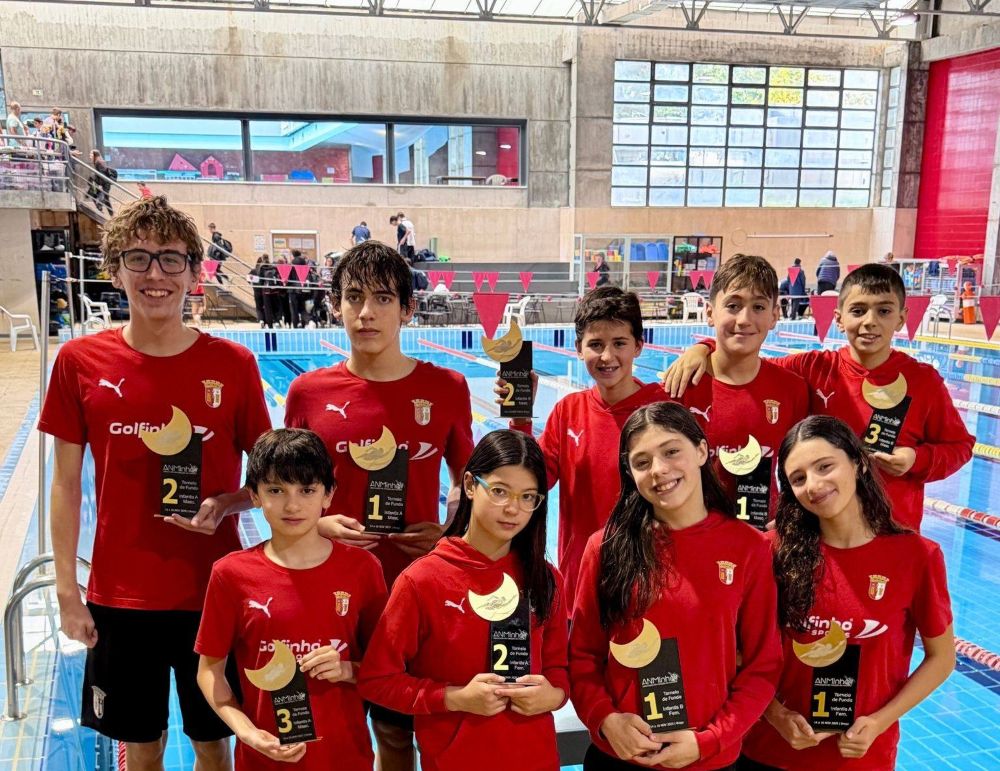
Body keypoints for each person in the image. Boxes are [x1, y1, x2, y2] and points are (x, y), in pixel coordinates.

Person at [38, 196, 272, 771]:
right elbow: (64, 485)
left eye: (171, 259)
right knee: (141, 748)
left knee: (213, 745)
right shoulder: (79, 361)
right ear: (114, 269)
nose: (155, 274)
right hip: (120, 596)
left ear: (194, 274)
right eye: (137, 258)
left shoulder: (233, 365)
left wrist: (227, 503)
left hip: (213, 590)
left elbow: (270, 480)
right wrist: (67, 591)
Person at [283, 239, 475, 771]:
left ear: (407, 309)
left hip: (411, 588)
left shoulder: (446, 387)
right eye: (354, 297)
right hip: (329, 587)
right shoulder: (306, 393)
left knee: (396, 732)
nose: (366, 312)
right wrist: (320, 524)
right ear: (335, 305)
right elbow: (285, 492)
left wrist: (448, 531)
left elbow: (469, 483)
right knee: (328, 731)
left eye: (383, 298)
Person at [663, 264, 975, 532]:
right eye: (858, 311)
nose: (870, 322)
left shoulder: (923, 381)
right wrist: (703, 348)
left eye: (883, 311)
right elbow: (745, 364)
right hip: (820, 532)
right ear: (839, 319)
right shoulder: (814, 368)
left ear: (902, 318)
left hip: (891, 530)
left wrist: (916, 459)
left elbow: (960, 446)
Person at [570, 402, 781, 770]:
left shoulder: (748, 547)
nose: (659, 470)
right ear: (630, 472)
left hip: (707, 759)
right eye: (642, 461)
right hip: (619, 756)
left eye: (671, 451)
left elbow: (763, 667)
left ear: (701, 451)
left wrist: (709, 740)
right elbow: (582, 655)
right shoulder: (605, 548)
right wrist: (606, 719)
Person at [740, 416, 955, 771]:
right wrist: (774, 714)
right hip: (769, 752)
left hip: (861, 758)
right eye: (798, 478)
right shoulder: (768, 552)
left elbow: (942, 658)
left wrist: (880, 721)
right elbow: (735, 651)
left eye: (825, 466)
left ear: (858, 463)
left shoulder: (918, 557)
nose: (814, 485)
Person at [359, 430, 569, 771]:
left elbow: (558, 669)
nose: (513, 509)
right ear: (470, 485)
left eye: (528, 497)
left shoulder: (545, 579)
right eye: (499, 491)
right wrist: (454, 698)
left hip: (537, 760)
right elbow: (377, 681)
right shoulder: (422, 580)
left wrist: (555, 695)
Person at [196, 429, 387, 771]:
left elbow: (387, 668)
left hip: (344, 757)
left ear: (328, 494)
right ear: (254, 495)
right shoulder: (231, 574)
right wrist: (248, 733)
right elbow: (209, 671)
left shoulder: (362, 569)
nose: (293, 505)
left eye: (307, 490)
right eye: (276, 490)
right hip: (263, 759)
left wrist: (347, 669)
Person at [497, 287, 667, 605]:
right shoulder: (568, 411)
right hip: (579, 583)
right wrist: (521, 419)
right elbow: (534, 482)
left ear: (639, 346)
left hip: (646, 579)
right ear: (578, 348)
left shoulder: (662, 409)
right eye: (596, 344)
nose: (607, 357)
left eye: (619, 343)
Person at [672, 254, 810, 526]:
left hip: (761, 536)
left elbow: (802, 465)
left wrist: (793, 514)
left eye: (758, 307)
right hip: (691, 536)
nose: (745, 319)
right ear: (710, 313)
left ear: (775, 316)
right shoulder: (680, 386)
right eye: (733, 306)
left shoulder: (792, 389)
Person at [249, 254, 275, 329]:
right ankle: (268, 321)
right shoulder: (268, 268)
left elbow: (248, 279)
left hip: (257, 291)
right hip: (265, 291)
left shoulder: (254, 270)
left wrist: (253, 283)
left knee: (259, 307)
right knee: (267, 307)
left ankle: (261, 320)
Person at [88, 150, 114, 215]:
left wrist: (99, 184)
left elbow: (102, 174)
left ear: (95, 155)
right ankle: (111, 214)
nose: (90, 156)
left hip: (105, 182)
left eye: (91, 154)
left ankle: (104, 209)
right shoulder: (98, 161)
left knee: (104, 196)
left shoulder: (98, 162)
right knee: (106, 198)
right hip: (104, 182)